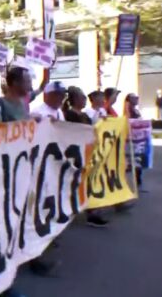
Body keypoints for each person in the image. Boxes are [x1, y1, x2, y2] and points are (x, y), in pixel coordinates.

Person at [63, 87, 109, 227]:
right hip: (75, 154)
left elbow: (91, 129)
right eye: (82, 97)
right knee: (74, 183)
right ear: (75, 99)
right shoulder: (69, 115)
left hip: (86, 153)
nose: (84, 100)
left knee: (86, 183)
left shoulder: (85, 115)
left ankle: (91, 212)